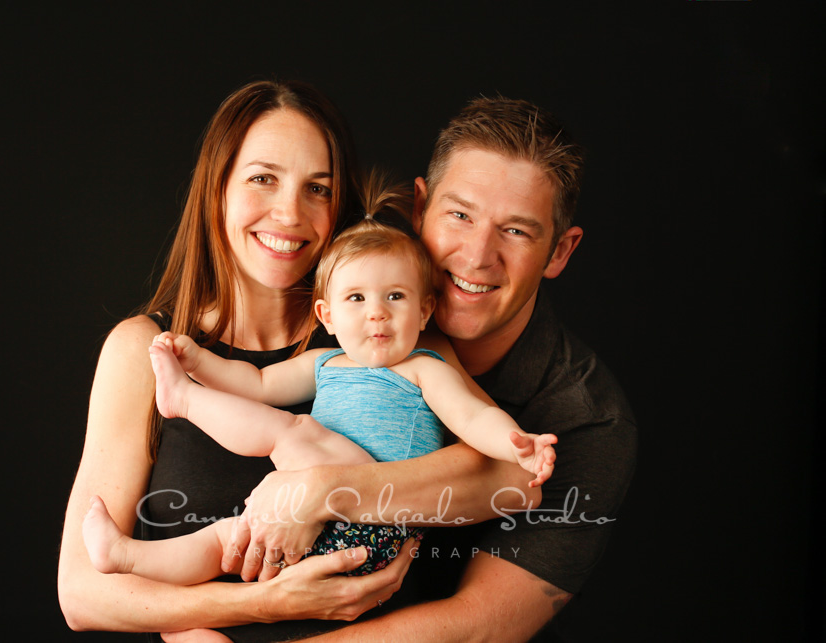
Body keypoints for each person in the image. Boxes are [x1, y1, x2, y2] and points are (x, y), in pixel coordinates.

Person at [58, 80, 565, 642]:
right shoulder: (145, 349)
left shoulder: (379, 334)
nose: (289, 213)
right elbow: (82, 595)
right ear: (217, 188)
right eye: (263, 178)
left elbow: (510, 478)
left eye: (317, 189)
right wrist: (261, 604)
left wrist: (323, 490)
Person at [221, 96, 637, 642]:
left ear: (559, 251)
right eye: (459, 215)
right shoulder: (350, 289)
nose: (476, 256)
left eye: (516, 231)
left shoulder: (588, 421)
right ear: (419, 208)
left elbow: (478, 628)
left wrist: (323, 490)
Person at [81, 210, 559, 586]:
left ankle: (184, 400)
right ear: (326, 314)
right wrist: (200, 363)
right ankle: (126, 555)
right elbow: (255, 383)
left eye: (395, 296)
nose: (377, 315)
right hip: (304, 522)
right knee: (230, 538)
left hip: (374, 525)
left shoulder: (424, 368)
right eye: (357, 299)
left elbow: (473, 416)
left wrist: (517, 442)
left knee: (294, 432)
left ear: (424, 308)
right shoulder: (325, 363)